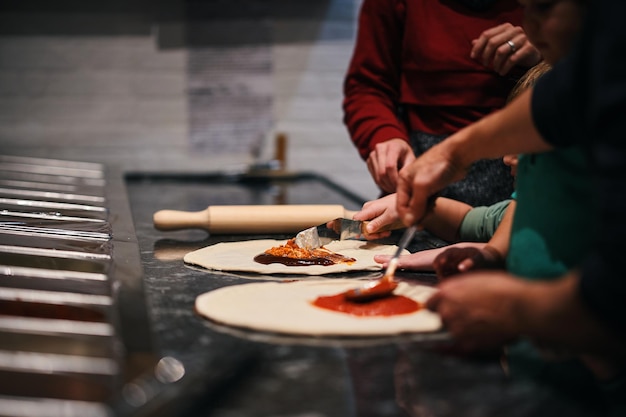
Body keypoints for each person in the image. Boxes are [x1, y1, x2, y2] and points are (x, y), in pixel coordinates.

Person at [394, 0, 626, 406]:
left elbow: (613, 293)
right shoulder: (588, 75)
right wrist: (451, 155)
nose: (527, 26)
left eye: (544, 6)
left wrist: (512, 306)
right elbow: (561, 99)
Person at [343, 0, 541, 205]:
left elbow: (571, 86)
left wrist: (546, 54)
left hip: (523, 190)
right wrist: (384, 136)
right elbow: (368, 87)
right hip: (422, 177)